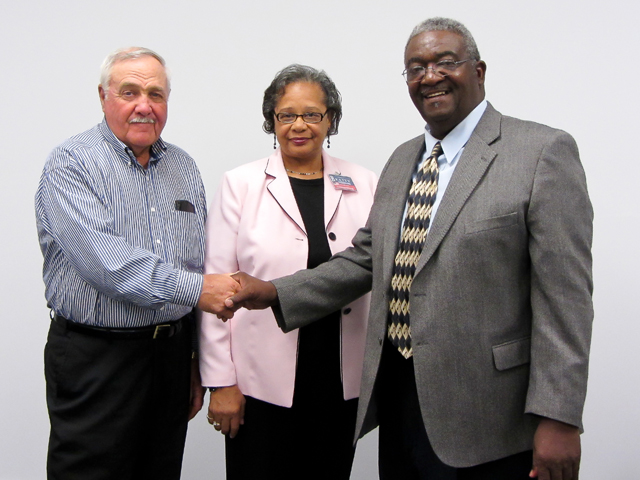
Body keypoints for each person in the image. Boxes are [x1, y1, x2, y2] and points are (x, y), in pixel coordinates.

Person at [224, 17, 594, 480]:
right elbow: (366, 258)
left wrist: (559, 416)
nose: (430, 76)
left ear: (478, 71)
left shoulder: (540, 152)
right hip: (398, 400)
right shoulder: (403, 160)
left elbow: (566, 300)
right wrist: (274, 292)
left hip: (490, 414)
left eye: (445, 62)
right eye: (416, 68)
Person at [35, 47, 238, 480]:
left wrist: (194, 359)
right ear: (103, 96)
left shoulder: (184, 167)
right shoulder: (72, 163)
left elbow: (196, 260)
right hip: (98, 358)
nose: (144, 105)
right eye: (129, 92)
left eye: (156, 94)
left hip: (170, 357)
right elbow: (106, 264)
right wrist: (199, 290)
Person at [198, 64, 377, 480]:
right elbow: (215, 288)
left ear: (330, 119)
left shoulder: (365, 182)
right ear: (271, 120)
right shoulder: (240, 184)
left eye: (312, 114)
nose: (299, 125)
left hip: (340, 379)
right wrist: (221, 382)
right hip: (259, 384)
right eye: (286, 115)